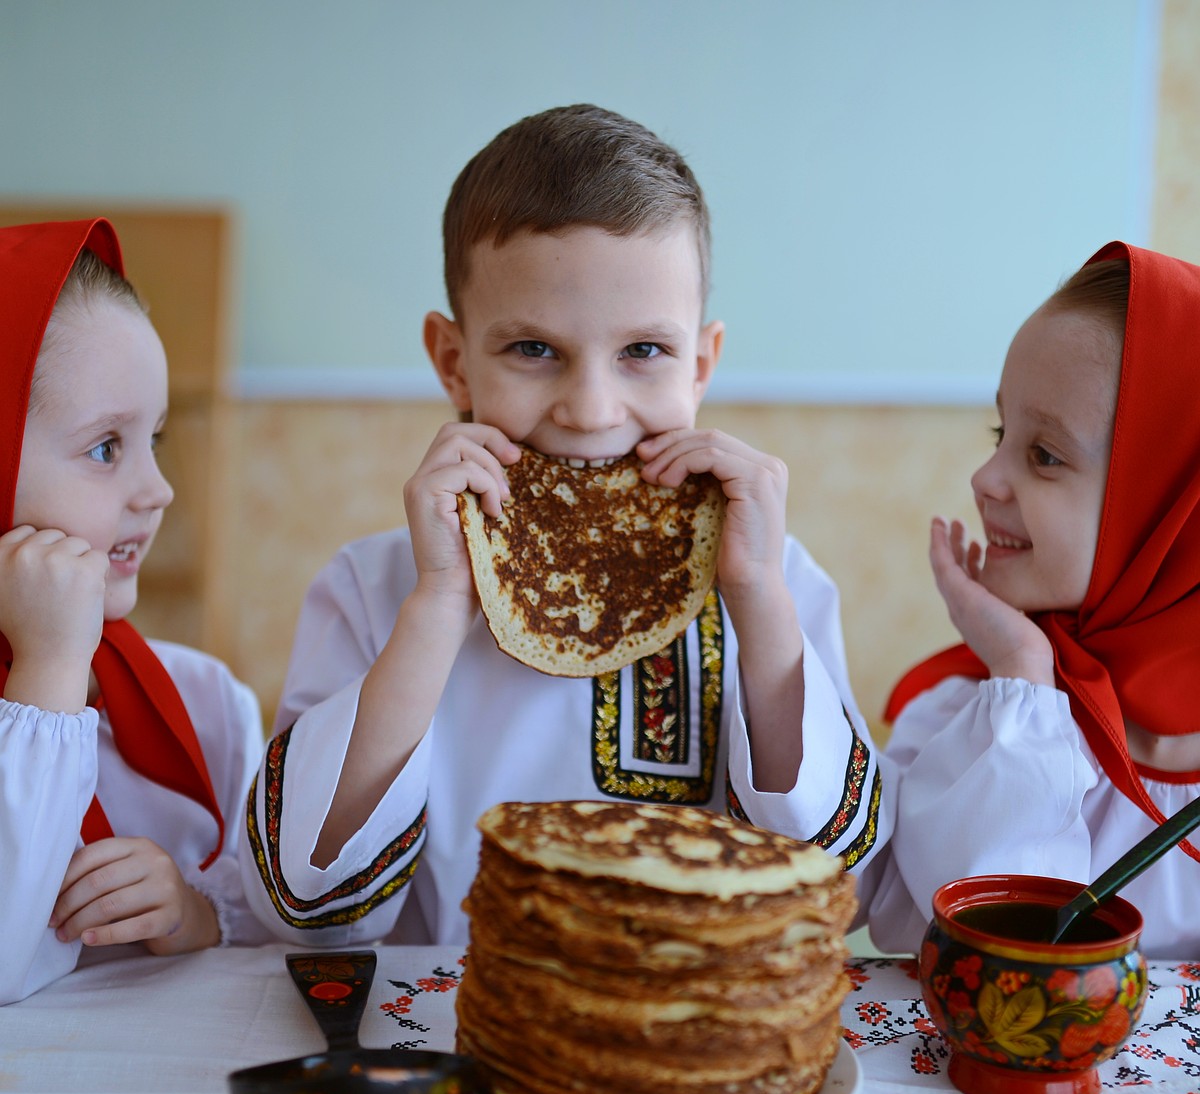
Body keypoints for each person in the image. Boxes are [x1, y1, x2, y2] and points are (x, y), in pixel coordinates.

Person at [240, 103, 888, 946]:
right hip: (453, 1034)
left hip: (700, 1036)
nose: (590, 410)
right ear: (452, 360)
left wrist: (758, 598)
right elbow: (305, 907)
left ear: (701, 364)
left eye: (643, 352)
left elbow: (838, 884)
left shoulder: (776, 580)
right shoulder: (373, 587)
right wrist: (437, 607)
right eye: (534, 349)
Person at [866, 241, 1200, 958]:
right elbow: (976, 958)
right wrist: (1019, 670)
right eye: (1000, 432)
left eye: (1044, 454)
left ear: (1171, 510)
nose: (986, 477)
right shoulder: (971, 716)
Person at [0, 219, 269, 1004]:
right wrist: (48, 668)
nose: (158, 490)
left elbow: (280, 927)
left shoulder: (207, 703)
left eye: (153, 437)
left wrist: (193, 912)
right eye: (106, 448)